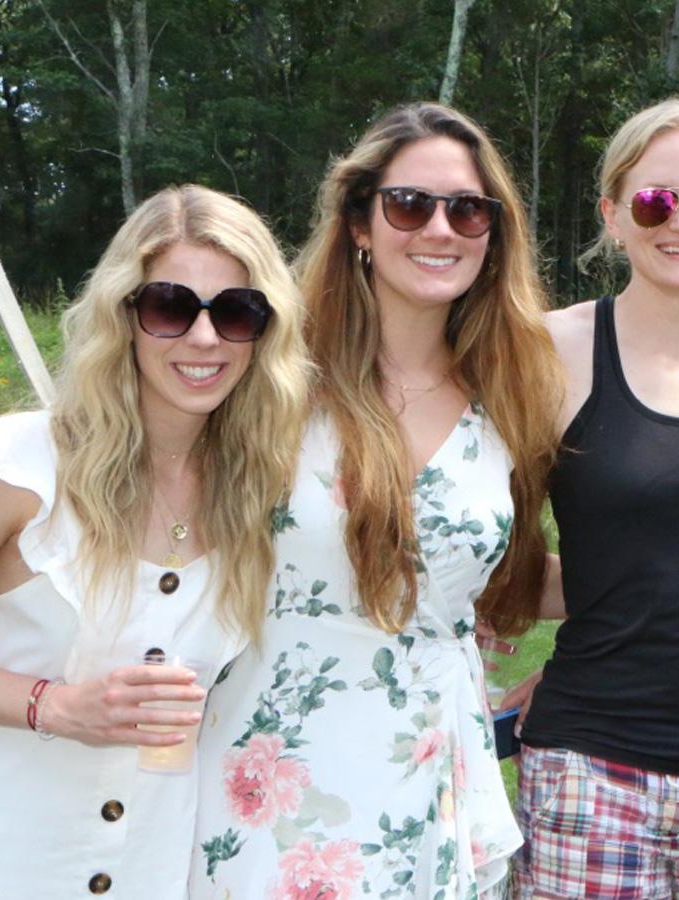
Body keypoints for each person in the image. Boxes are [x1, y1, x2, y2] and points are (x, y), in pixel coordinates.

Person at [0, 184, 311, 898]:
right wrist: (56, 706)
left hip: (152, 870)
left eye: (236, 312)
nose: (203, 338)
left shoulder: (266, 490)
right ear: (124, 316)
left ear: (265, 331)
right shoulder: (13, 462)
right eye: (169, 307)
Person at [187, 103, 562, 900]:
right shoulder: (272, 375)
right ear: (360, 221)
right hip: (279, 777)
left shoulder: (512, 397)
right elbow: (136, 431)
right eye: (408, 204)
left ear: (492, 232)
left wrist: (591, 655)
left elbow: (507, 576)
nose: (440, 228)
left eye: (467, 209)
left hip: (432, 776)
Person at [505, 97, 679, 898]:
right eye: (656, 200)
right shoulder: (554, 348)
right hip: (593, 775)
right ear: (614, 214)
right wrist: (589, 604)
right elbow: (487, 540)